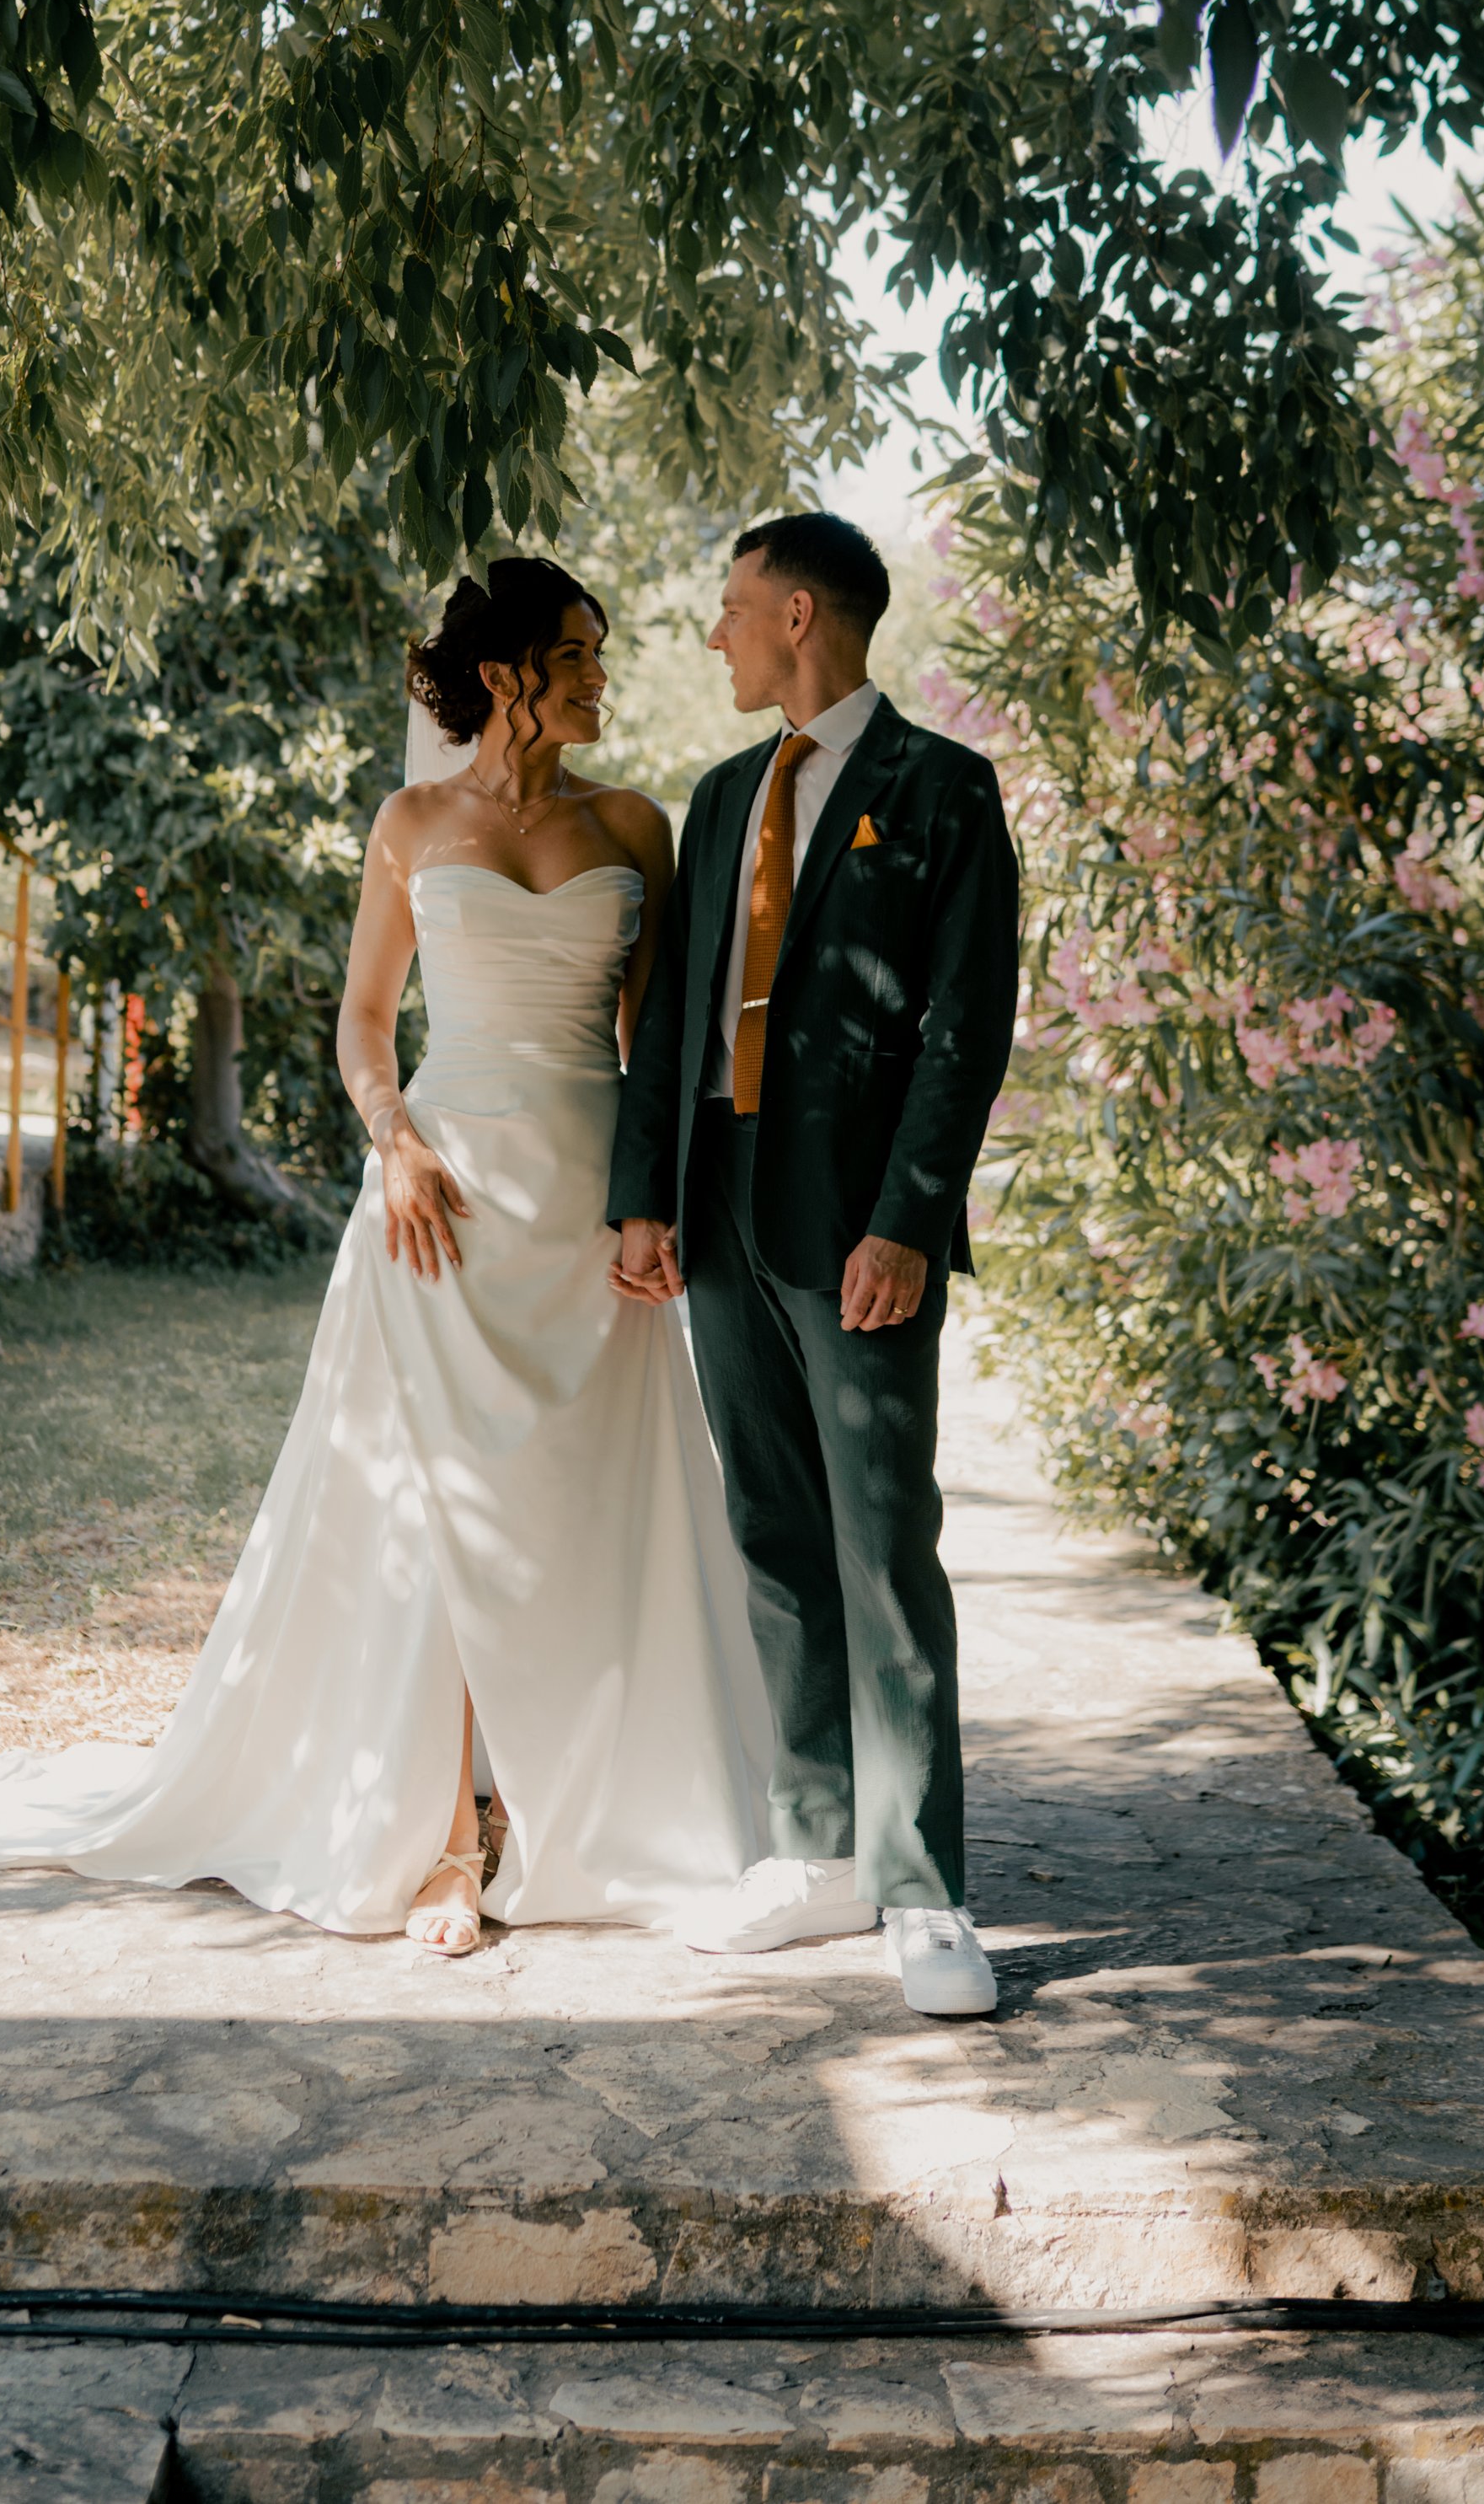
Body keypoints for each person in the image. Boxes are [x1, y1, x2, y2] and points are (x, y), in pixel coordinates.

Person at [0, 560, 769, 1955]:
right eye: (583, 656)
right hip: (443, 1199)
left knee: (580, 1507)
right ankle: (439, 1837)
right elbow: (367, 1022)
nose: (605, 678)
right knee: (433, 1515)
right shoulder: (411, 820)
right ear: (507, 676)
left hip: (584, 1212)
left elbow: (649, 1045)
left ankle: (573, 1800)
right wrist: (392, 1140)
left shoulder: (637, 824)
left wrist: (649, 1204)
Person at [608, 513, 1019, 2018]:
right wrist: (641, 1196)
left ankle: (923, 1889)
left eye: (726, 608)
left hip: (857, 1233)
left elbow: (967, 1027)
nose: (710, 634)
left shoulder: (943, 792)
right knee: (774, 1531)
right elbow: (672, 1020)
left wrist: (909, 1221)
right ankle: (817, 1848)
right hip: (717, 1214)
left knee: (882, 1543)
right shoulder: (720, 799)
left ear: (797, 614)